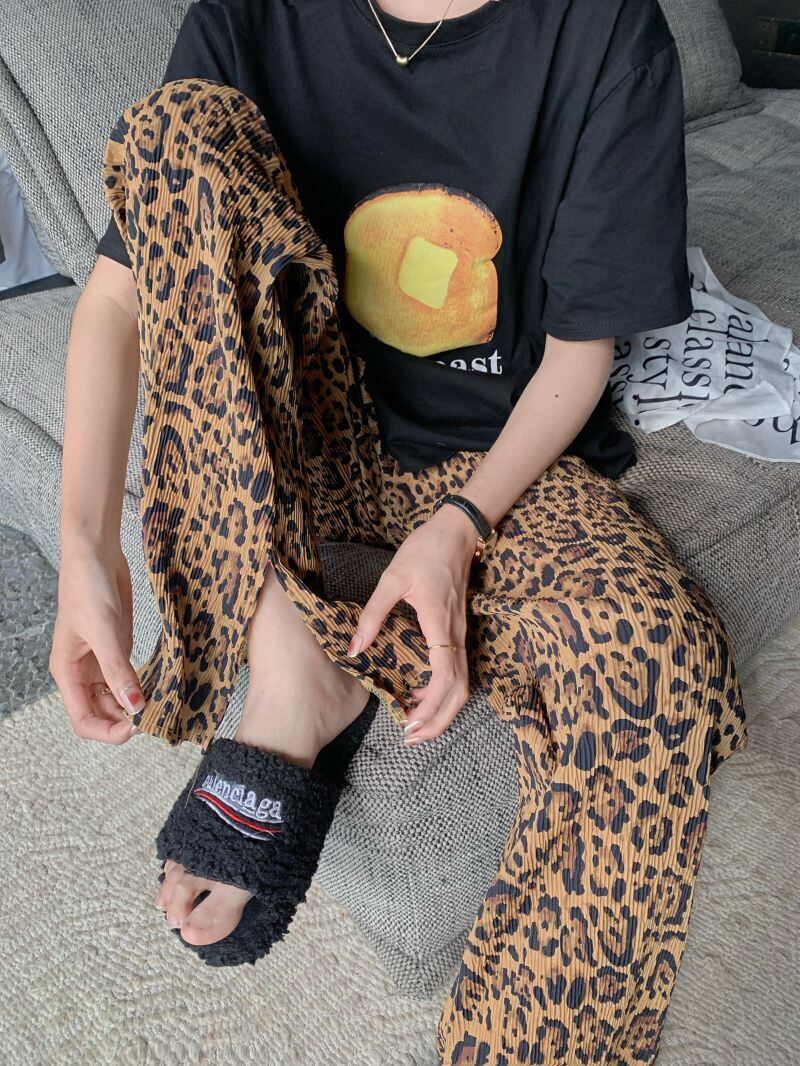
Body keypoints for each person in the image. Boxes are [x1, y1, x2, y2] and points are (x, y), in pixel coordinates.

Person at [50, 0, 748, 1061]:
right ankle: (292, 667)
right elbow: (119, 302)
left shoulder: (605, 28)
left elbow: (579, 356)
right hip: (288, 441)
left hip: (493, 454)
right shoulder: (247, 14)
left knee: (660, 661)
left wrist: (459, 528)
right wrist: (86, 547)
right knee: (176, 131)